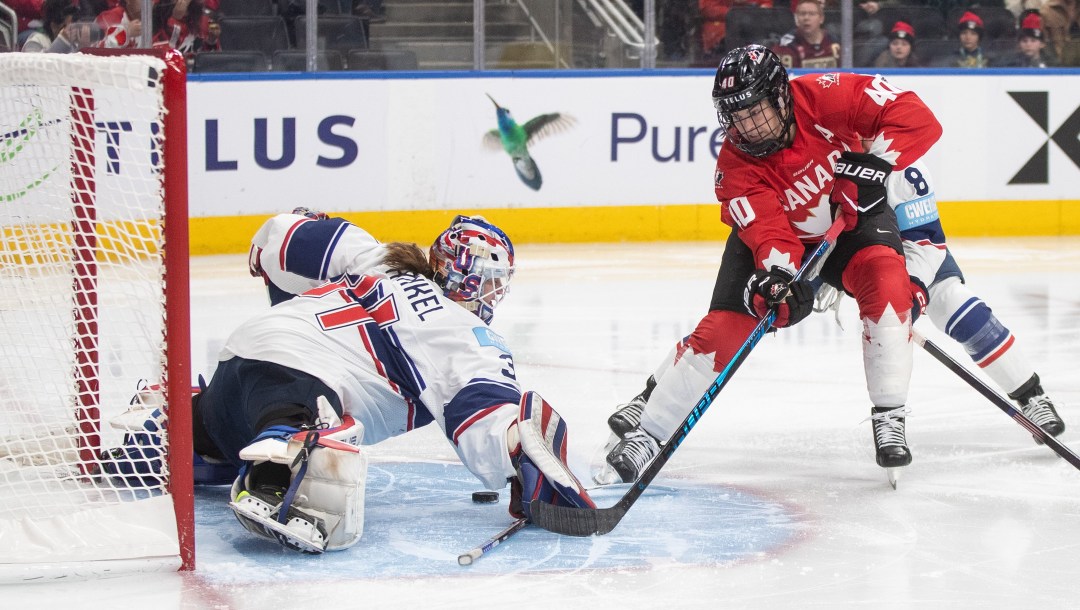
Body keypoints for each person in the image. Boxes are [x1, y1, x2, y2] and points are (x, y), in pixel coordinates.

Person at [101, 212, 595, 553]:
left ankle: (169, 429)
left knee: (214, 430)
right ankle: (289, 452)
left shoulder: (380, 258)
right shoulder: (467, 336)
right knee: (306, 445)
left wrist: (276, 279)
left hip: (240, 356)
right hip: (302, 381)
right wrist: (528, 464)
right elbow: (485, 416)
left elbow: (282, 239)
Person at [600, 44, 941, 486]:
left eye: (755, 110)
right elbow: (770, 235)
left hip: (853, 220)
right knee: (723, 329)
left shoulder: (827, 95)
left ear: (781, 95)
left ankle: (890, 415)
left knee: (888, 284)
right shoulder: (735, 167)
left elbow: (917, 117)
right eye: (735, 116)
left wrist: (874, 166)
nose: (746, 126)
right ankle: (649, 431)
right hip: (781, 243)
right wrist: (778, 278)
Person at [772, 0, 840, 68]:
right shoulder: (786, 45)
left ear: (821, 18)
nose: (806, 18)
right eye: (802, 14)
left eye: (812, 14)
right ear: (797, 18)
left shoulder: (833, 42)